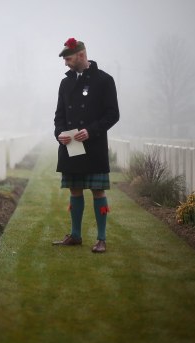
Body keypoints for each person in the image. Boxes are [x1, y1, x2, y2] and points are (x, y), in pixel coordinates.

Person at [51, 37, 119, 253]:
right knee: (75, 190)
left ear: (81, 55)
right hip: (71, 147)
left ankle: (101, 239)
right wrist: (59, 133)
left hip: (94, 146)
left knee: (98, 191)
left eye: (68, 59)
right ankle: (76, 235)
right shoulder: (65, 82)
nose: (65, 63)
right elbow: (59, 115)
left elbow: (113, 114)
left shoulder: (104, 80)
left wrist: (91, 131)